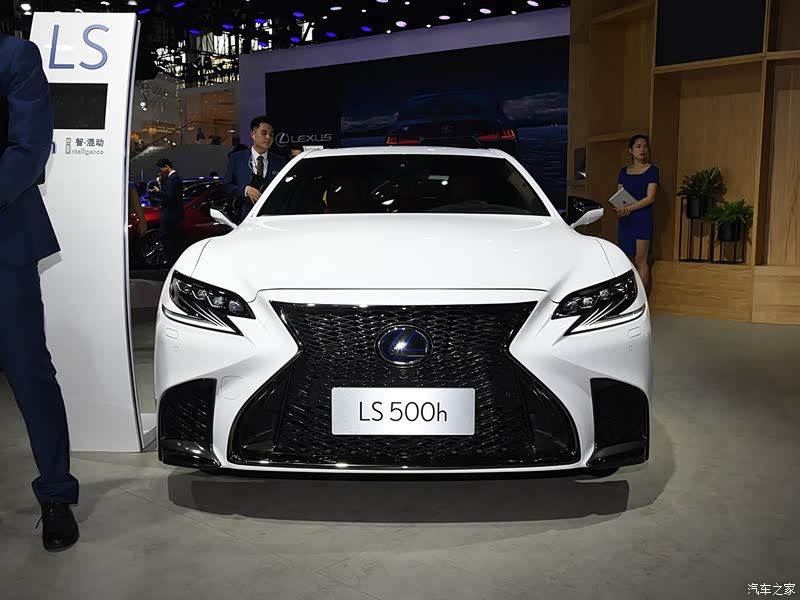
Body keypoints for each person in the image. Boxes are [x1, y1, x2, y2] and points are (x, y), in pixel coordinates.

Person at [0, 32, 80, 551]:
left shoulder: (14, 56)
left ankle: (55, 495)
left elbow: (28, 150)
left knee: (29, 372)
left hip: (5, 242)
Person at [616, 134, 659, 296]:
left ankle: (641, 298)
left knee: (641, 260)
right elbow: (619, 195)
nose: (642, 149)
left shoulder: (652, 170)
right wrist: (620, 208)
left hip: (642, 218)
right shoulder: (623, 171)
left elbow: (650, 198)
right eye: (638, 146)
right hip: (626, 219)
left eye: (645, 146)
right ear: (631, 150)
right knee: (626, 260)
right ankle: (628, 297)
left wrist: (630, 208)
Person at [224, 116, 287, 221]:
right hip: (245, 217)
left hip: (272, 217)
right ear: (253, 135)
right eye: (264, 133)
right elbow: (227, 186)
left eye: (271, 134)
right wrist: (246, 190)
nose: (268, 137)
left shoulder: (280, 161)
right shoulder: (237, 158)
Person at [148, 158, 184, 265]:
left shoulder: (173, 179)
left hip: (170, 215)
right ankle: (171, 261)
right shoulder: (174, 178)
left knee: (167, 238)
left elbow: (169, 197)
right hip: (172, 214)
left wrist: (159, 191)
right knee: (171, 239)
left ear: (166, 167)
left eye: (161, 169)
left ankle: (171, 262)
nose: (161, 172)